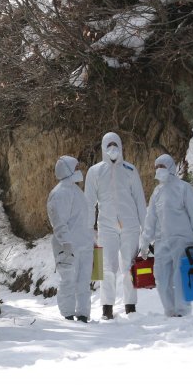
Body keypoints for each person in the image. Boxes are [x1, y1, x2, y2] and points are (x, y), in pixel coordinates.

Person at [84, 132, 147, 319]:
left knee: (129, 266)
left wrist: (146, 230)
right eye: (109, 145)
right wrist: (88, 229)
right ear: (103, 148)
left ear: (120, 146)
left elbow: (140, 201)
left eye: (115, 145)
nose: (112, 148)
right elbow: (89, 203)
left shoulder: (130, 170)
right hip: (106, 226)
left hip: (130, 225)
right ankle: (107, 309)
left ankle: (130, 307)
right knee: (107, 268)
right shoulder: (95, 171)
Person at [139, 154, 193, 317]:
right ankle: (170, 311)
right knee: (161, 278)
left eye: (162, 166)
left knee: (180, 277)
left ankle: (182, 312)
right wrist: (145, 241)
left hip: (183, 240)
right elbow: (151, 218)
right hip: (161, 241)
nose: (158, 170)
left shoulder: (184, 188)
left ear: (170, 167)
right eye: (156, 167)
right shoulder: (157, 192)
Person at [47, 155, 94, 322]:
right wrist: (65, 243)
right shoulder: (60, 193)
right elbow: (59, 221)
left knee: (83, 282)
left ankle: (83, 314)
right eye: (76, 167)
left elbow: (83, 220)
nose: (78, 170)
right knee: (68, 280)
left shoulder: (75, 191)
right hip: (68, 246)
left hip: (84, 244)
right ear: (67, 169)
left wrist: (91, 239)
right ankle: (68, 316)